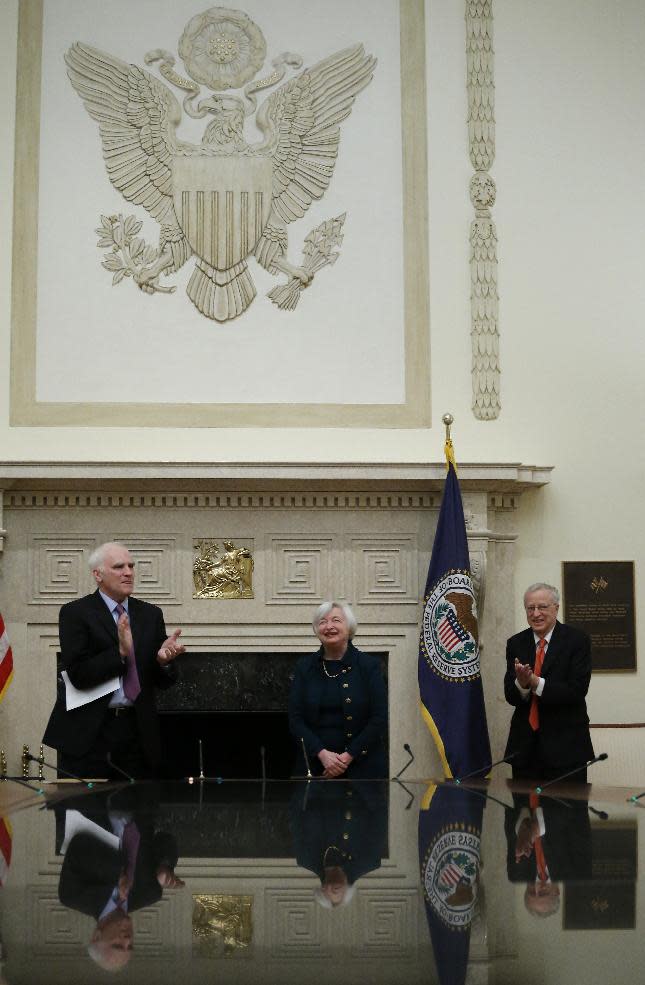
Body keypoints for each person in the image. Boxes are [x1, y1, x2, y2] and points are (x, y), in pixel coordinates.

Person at [43, 541, 185, 779]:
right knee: (85, 812)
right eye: (119, 567)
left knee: (140, 810)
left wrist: (163, 661)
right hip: (90, 734)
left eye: (131, 566)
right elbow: (78, 675)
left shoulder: (150, 614)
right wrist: (119, 652)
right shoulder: (75, 613)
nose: (128, 572)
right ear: (97, 574)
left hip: (138, 732)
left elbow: (161, 682)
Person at [55, 786, 184, 971]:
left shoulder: (72, 896)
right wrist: (165, 866)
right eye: (130, 946)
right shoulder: (149, 893)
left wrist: (118, 874)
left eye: (117, 945)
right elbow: (165, 839)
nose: (127, 939)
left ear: (96, 936)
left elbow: (80, 846)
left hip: (92, 788)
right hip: (140, 786)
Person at [504, 582, 594, 783]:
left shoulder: (577, 640)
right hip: (524, 750)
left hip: (567, 750)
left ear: (556, 608)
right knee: (523, 812)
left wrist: (535, 682)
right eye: (530, 608)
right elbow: (511, 696)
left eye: (542, 607)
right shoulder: (516, 643)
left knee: (567, 812)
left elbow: (577, 690)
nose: (536, 614)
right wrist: (522, 684)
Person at [288, 601, 387, 778]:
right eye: (322, 622)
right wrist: (322, 754)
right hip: (315, 766)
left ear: (349, 628)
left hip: (362, 767)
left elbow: (379, 718)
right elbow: (295, 720)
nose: (329, 626)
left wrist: (347, 757)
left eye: (336, 620)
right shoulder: (304, 668)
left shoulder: (369, 666)